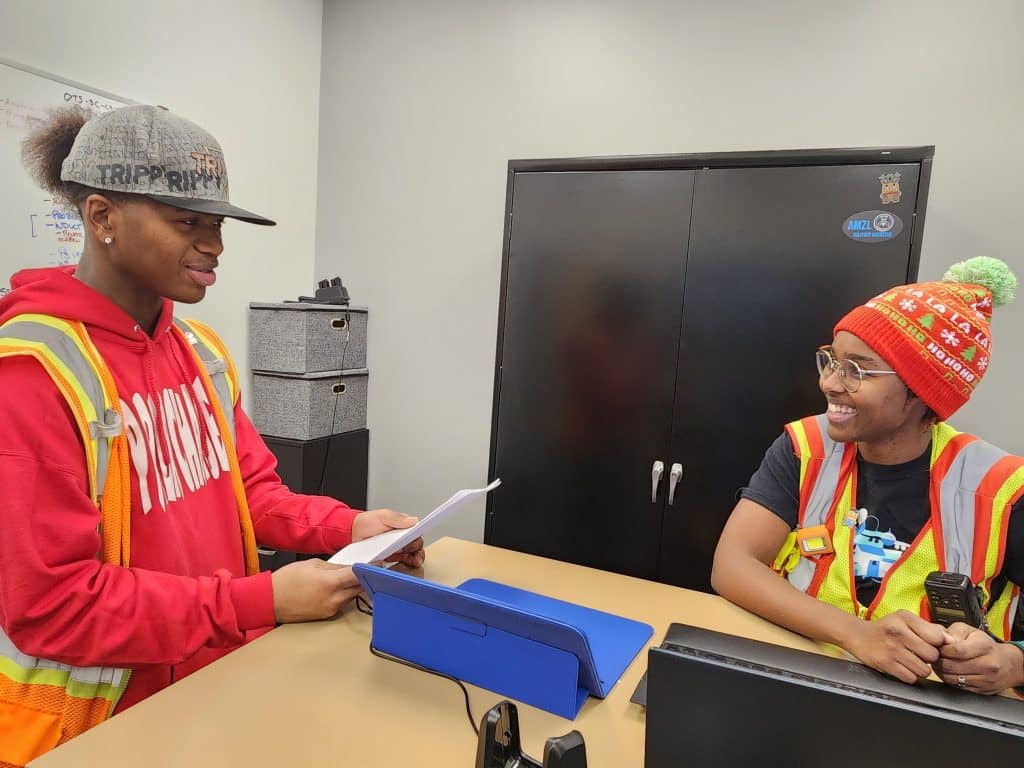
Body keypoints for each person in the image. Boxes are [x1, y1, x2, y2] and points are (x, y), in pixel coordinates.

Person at [0, 104, 424, 766]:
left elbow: (249, 492)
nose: (215, 245)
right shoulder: (31, 371)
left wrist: (350, 529)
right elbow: (53, 604)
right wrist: (260, 600)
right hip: (106, 727)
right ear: (102, 217)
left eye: (218, 224)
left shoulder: (201, 350)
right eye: (187, 223)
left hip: (222, 683)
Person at [711, 257, 1024, 696]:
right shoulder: (807, 447)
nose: (830, 383)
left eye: (858, 370)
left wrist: (1013, 662)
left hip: (926, 715)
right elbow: (732, 565)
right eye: (832, 361)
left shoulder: (1000, 488)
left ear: (922, 391)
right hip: (795, 679)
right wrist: (856, 634)